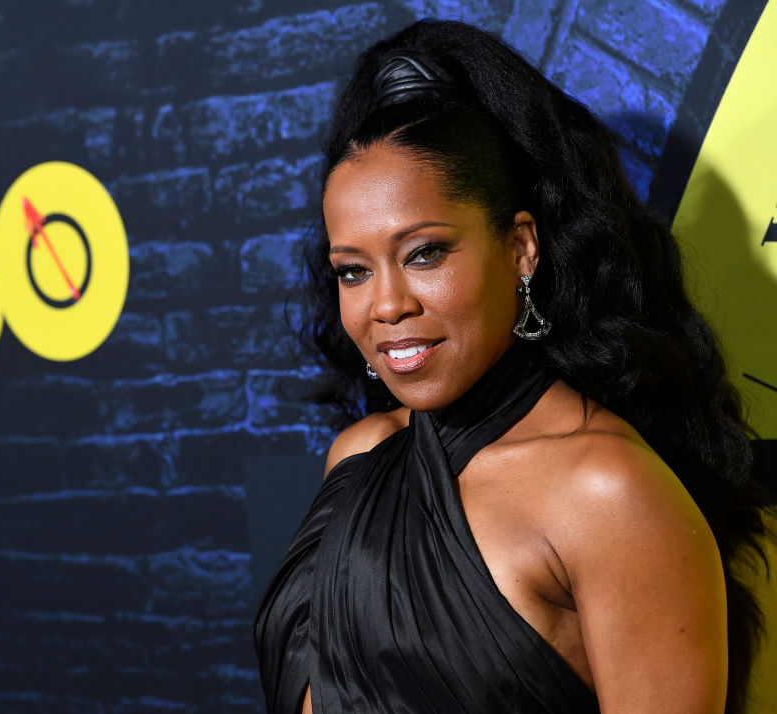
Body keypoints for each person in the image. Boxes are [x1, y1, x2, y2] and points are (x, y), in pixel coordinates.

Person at [251, 18, 773, 714]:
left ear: (521, 247)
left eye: (425, 254)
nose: (387, 304)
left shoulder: (607, 493)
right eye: (353, 271)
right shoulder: (358, 458)